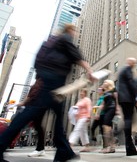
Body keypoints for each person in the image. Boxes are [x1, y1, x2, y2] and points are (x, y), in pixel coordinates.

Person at [0, 23, 96, 162]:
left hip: (46, 78)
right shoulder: (65, 38)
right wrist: (90, 70)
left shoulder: (52, 41)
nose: (75, 33)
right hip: (53, 80)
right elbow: (76, 56)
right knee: (31, 112)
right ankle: (1, 144)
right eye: (74, 30)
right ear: (69, 30)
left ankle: (64, 151)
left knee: (57, 115)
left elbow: (38, 63)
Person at [117, 57, 137, 156]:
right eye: (135, 63)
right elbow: (131, 83)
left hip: (123, 99)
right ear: (130, 62)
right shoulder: (127, 70)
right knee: (128, 120)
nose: (135, 65)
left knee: (129, 120)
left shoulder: (122, 70)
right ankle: (129, 148)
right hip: (127, 99)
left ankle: (130, 148)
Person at [17, 77, 46, 157]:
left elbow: (33, 92)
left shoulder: (41, 78)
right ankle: (40, 149)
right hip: (36, 104)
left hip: (36, 105)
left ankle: (40, 149)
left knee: (17, 123)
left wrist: (23, 102)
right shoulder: (41, 78)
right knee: (38, 126)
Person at [96, 80, 116, 153]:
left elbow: (117, 99)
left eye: (105, 82)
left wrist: (118, 109)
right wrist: (97, 113)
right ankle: (112, 147)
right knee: (108, 128)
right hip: (107, 110)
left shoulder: (113, 90)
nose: (103, 83)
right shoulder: (105, 93)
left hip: (112, 108)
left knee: (106, 126)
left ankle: (107, 147)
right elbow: (102, 104)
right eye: (103, 82)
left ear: (109, 83)